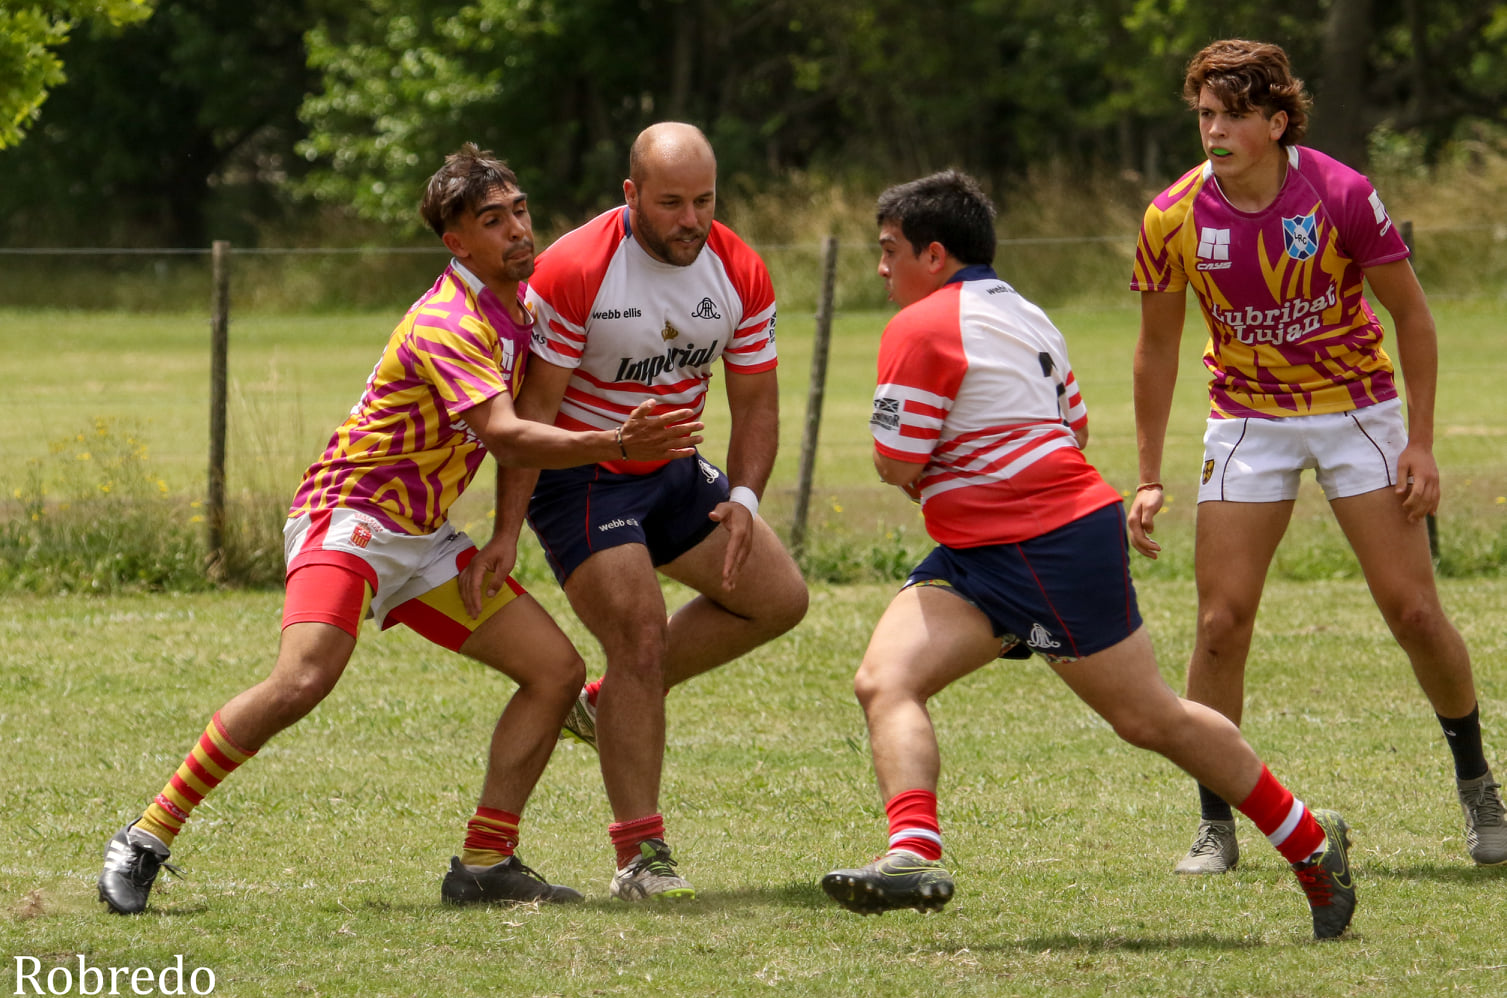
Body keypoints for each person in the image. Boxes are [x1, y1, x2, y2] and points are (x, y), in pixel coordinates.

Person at [96, 143, 703, 914]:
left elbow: (528, 424)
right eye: (492, 220)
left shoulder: (527, 308)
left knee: (553, 675)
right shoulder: (448, 320)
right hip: (347, 515)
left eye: (518, 210)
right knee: (303, 679)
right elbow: (509, 434)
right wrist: (617, 445)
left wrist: (506, 535)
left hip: (422, 536)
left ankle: (485, 863)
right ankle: (147, 834)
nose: (518, 229)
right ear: (456, 243)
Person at [819, 169, 1355, 941]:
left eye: (888, 250)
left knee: (1150, 719)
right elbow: (1072, 426)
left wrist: (957, 476)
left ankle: (1309, 843)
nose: (880, 268)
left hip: (1044, 544)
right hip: (982, 548)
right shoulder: (1027, 314)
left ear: (932, 255)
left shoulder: (920, 325)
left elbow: (896, 461)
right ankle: (912, 853)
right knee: (884, 680)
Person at [1128, 39, 1506, 874]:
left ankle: (1478, 785)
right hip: (1245, 420)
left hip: (1353, 413)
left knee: (1412, 612)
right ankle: (1214, 823)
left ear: (1274, 120)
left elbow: (1412, 316)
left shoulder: (1339, 193)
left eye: (1231, 116)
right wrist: (1149, 476)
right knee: (1220, 625)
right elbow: (1156, 350)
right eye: (1204, 115)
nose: (1214, 130)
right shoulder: (1173, 215)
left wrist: (1421, 441)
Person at [464, 122, 809, 901]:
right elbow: (532, 413)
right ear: (631, 196)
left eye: (704, 200)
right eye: (670, 203)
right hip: (582, 475)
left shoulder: (739, 269)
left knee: (778, 600)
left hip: (676, 469)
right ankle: (639, 857)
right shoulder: (576, 269)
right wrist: (508, 529)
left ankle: (605, 703)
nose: (691, 220)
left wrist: (745, 502)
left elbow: (755, 405)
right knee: (640, 636)